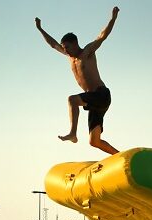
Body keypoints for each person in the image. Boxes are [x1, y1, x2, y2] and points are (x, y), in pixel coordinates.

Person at [36, 7, 121, 155]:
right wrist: (40, 29)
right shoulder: (70, 57)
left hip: (101, 95)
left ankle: (72, 133)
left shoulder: (87, 52)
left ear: (75, 43)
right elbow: (53, 44)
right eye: (64, 48)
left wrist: (113, 18)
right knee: (94, 142)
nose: (66, 50)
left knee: (72, 100)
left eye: (67, 47)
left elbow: (102, 36)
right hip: (93, 102)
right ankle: (121, 156)